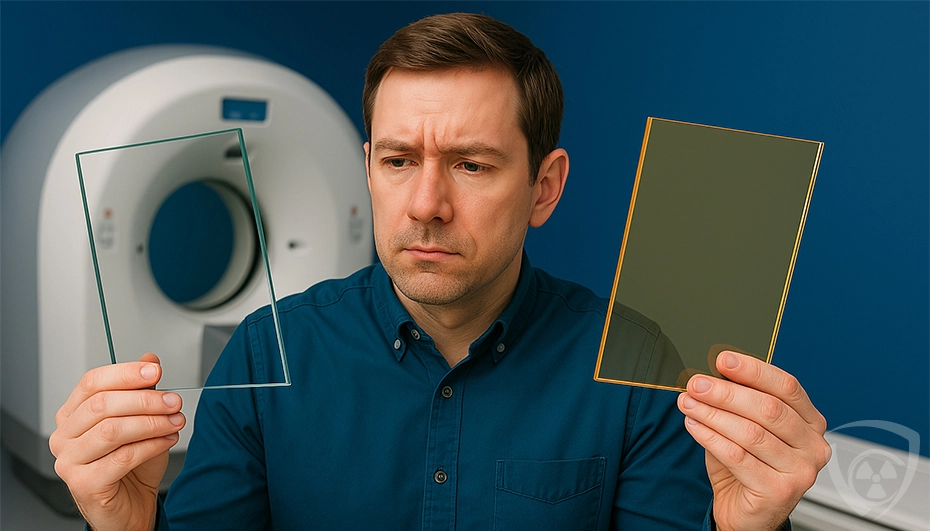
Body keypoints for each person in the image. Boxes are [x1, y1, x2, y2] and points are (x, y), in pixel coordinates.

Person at [49, 13, 831, 531]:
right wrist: (127, 523)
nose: (426, 203)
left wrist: (749, 528)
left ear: (545, 187)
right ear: (368, 169)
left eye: (471, 164)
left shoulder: (637, 363)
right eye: (398, 160)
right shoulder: (266, 351)